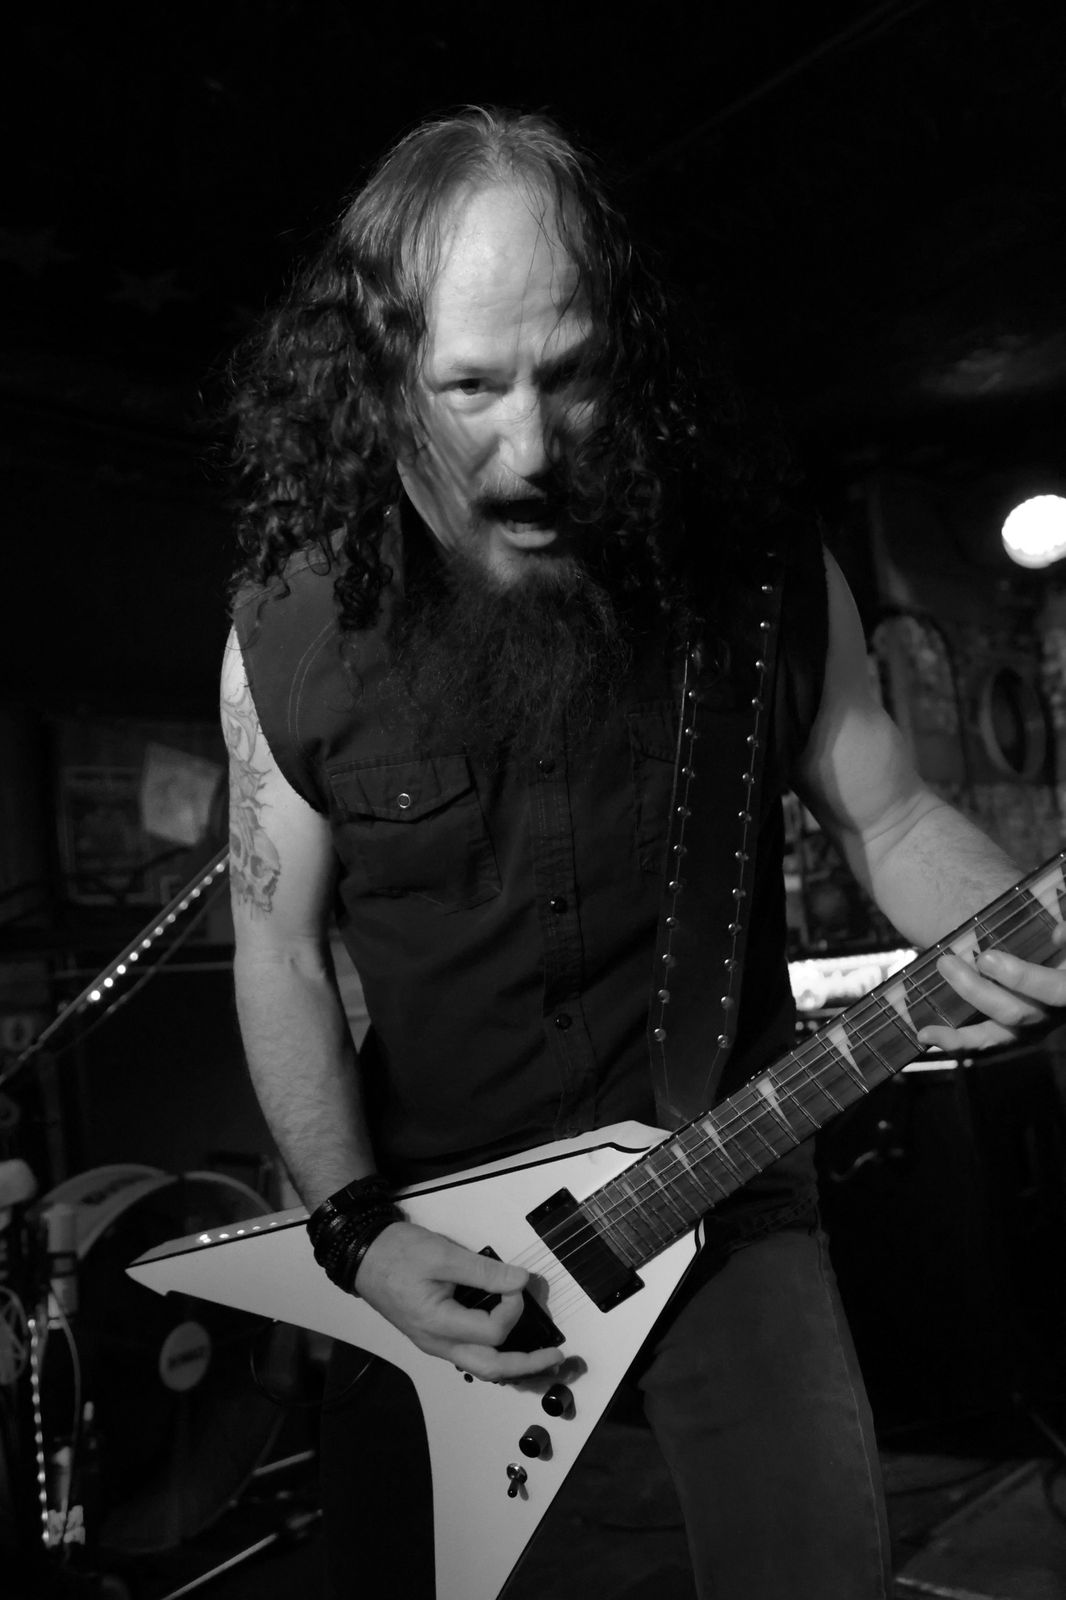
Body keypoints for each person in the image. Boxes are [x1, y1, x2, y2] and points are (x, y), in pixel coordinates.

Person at [220, 107, 1065, 1600]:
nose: (531, 449)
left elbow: (889, 817)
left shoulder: (754, 580)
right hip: (434, 1241)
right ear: (375, 373)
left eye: (573, 376)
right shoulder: (286, 635)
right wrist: (355, 1234)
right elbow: (277, 953)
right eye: (471, 387)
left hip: (732, 1200)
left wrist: (1019, 933)